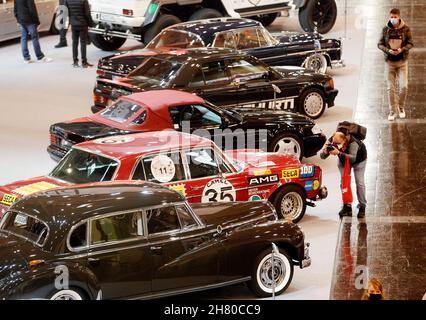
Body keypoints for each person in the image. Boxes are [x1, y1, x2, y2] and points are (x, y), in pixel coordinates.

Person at [321, 131, 367, 218]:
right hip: (343, 160)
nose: (335, 144)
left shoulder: (353, 143)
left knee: (359, 182)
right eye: (334, 142)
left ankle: (362, 206)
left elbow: (352, 159)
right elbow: (322, 156)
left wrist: (338, 153)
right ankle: (347, 206)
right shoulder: (332, 140)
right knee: (344, 183)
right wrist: (326, 151)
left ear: (344, 140)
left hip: (359, 161)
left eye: (338, 143)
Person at [378, 8, 414, 121]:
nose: (393, 19)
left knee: (404, 87)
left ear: (399, 17)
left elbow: (411, 43)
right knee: (390, 88)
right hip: (390, 62)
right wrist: (387, 51)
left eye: (395, 17)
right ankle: (392, 111)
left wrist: (402, 49)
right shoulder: (385, 29)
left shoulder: (406, 29)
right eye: (391, 17)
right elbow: (379, 44)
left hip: (402, 62)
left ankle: (401, 107)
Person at [65, 0, 94, 68]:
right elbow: (87, 13)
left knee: (74, 43)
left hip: (73, 25)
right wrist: (91, 24)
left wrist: (71, 21)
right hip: (83, 24)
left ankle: (75, 62)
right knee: (83, 43)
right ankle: (84, 62)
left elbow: (67, 13)